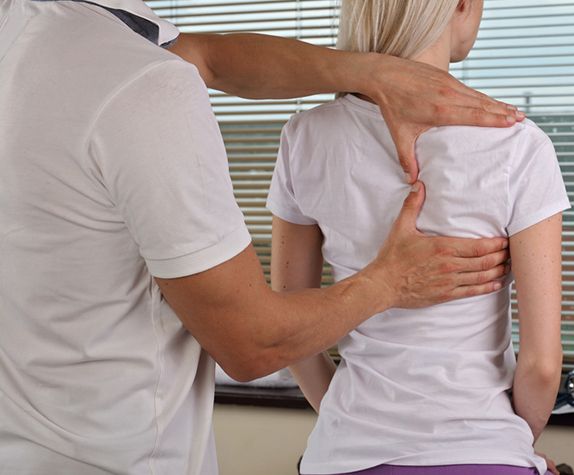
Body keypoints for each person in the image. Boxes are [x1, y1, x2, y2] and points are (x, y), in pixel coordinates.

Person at [0, 0, 524, 473]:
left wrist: (370, 72)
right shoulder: (144, 83)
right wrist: (391, 282)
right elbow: (253, 343)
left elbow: (207, 57)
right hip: (121, 459)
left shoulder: (29, 37)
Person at [269, 1, 569, 474]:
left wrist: (352, 422)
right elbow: (542, 365)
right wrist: (508, 444)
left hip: (342, 455)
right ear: (462, 6)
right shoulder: (516, 144)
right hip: (482, 454)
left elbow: (292, 328)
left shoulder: (305, 136)